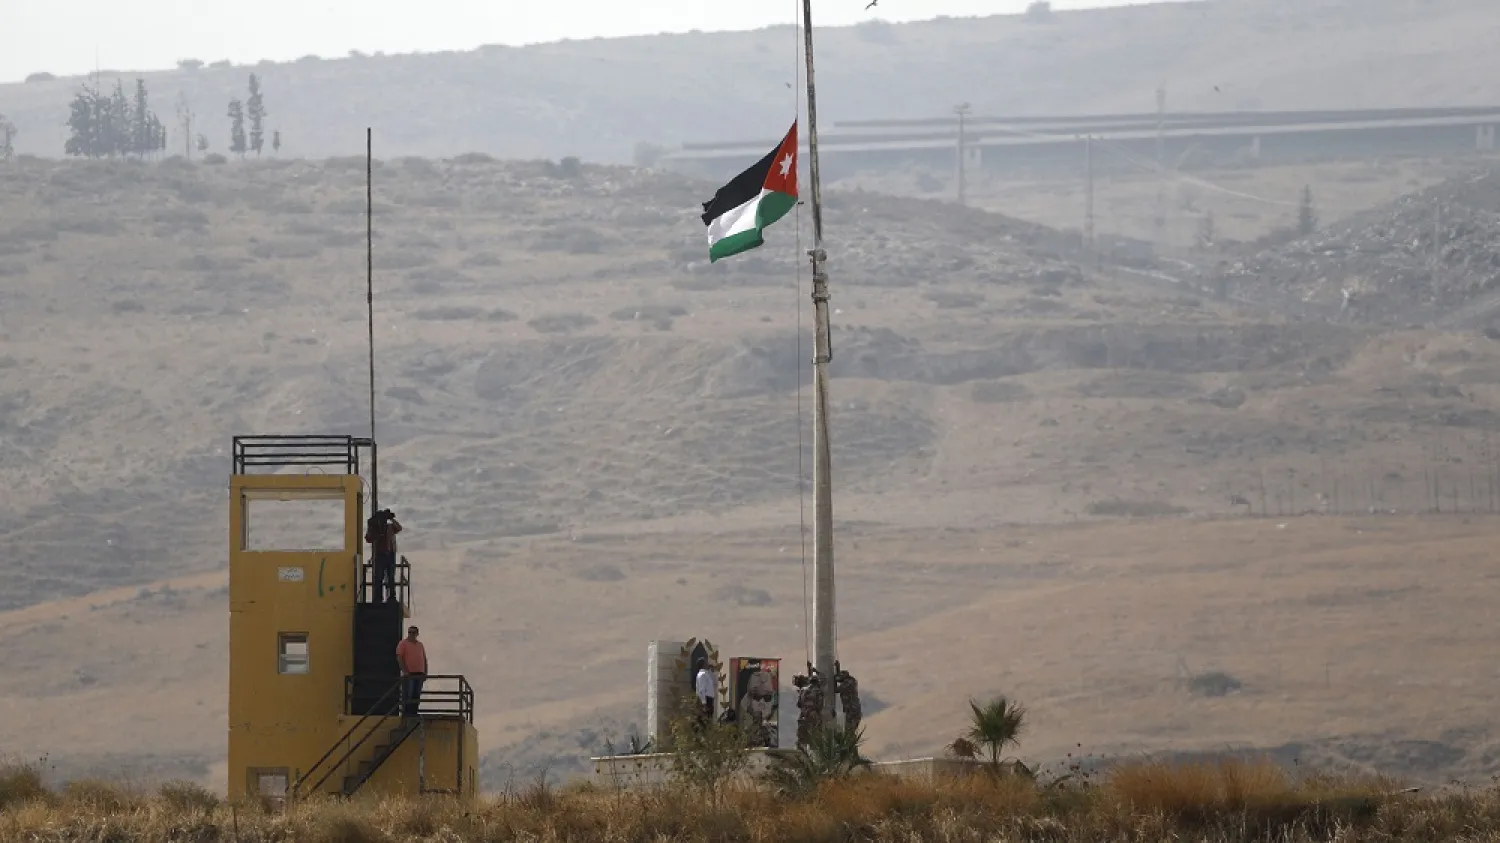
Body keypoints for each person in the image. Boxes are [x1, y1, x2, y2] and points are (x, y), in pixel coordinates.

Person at [365, 509, 402, 603]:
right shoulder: (375, 529)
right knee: (379, 577)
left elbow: (399, 528)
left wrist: (391, 519)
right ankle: (378, 597)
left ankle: (391, 597)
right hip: (380, 555)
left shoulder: (390, 527)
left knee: (390, 577)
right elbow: (368, 538)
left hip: (389, 554)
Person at [395, 624, 427, 718]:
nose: (411, 634)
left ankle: (414, 713)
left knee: (416, 694)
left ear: (417, 634)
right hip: (409, 674)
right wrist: (404, 671)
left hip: (419, 673)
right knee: (408, 693)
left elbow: (424, 659)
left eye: (413, 633)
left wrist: (425, 672)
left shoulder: (420, 645)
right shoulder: (403, 643)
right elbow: (399, 657)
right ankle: (406, 714)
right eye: (409, 632)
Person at [694, 661, 716, 728]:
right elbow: (702, 689)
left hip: (708, 699)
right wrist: (704, 702)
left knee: (709, 718)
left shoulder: (706, 673)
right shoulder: (702, 674)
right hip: (705, 699)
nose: (708, 664)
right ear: (703, 664)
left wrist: (711, 671)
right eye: (706, 663)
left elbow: (714, 682)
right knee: (704, 719)